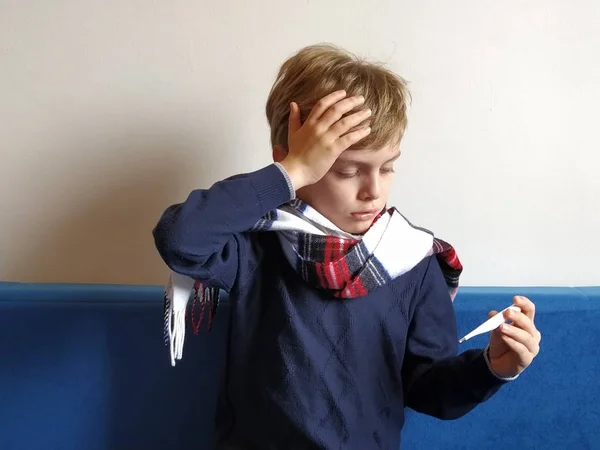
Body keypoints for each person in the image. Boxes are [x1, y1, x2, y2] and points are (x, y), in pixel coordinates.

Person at [153, 44, 541, 449]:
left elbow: (429, 388)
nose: (373, 191)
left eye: (388, 167)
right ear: (293, 161)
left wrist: (493, 367)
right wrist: (288, 173)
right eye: (348, 170)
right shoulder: (257, 246)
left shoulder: (413, 258)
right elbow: (180, 239)